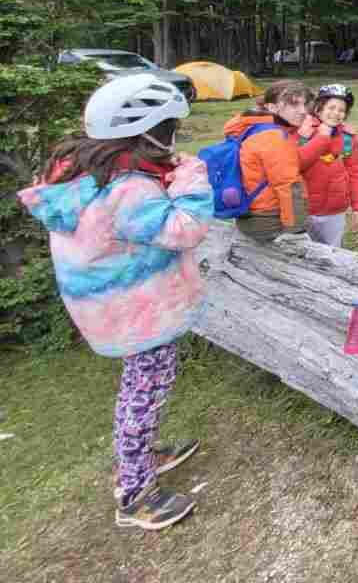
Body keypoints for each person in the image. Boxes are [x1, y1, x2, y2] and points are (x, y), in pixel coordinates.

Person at [18, 75, 213, 530]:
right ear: (147, 130)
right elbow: (184, 228)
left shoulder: (80, 170)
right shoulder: (127, 187)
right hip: (140, 312)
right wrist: (190, 176)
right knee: (144, 395)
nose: (172, 138)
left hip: (111, 309)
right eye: (168, 128)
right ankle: (134, 494)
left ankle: (139, 458)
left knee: (139, 389)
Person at [222, 81, 325, 242]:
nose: (303, 111)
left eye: (305, 104)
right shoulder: (275, 137)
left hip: (248, 215)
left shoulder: (253, 127)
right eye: (294, 104)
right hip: (268, 220)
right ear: (272, 107)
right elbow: (289, 187)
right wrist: (297, 231)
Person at [296, 83, 358, 247]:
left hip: (335, 212)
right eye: (331, 108)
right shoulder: (302, 132)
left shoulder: (348, 138)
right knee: (302, 253)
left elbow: (355, 172)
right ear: (319, 108)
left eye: (341, 110)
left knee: (333, 253)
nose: (336, 113)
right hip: (304, 210)